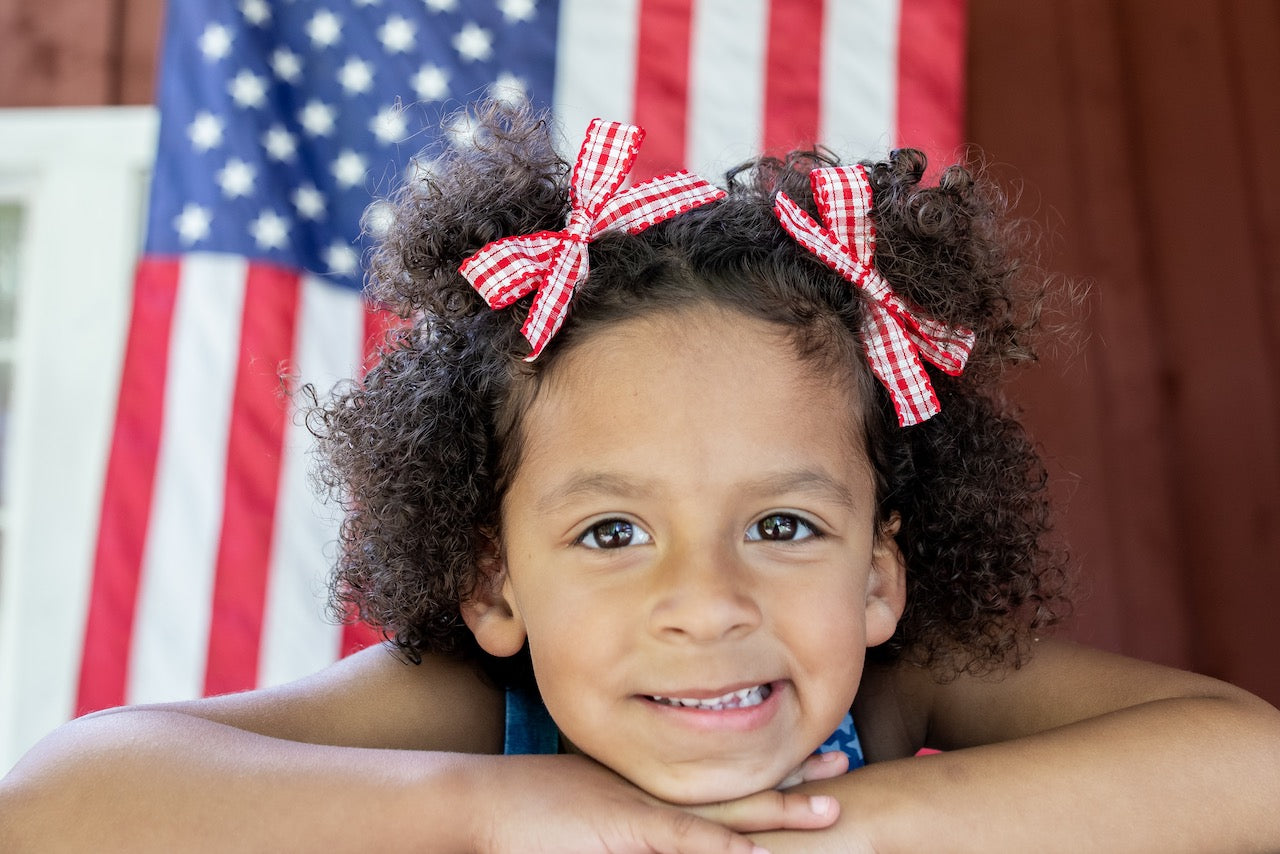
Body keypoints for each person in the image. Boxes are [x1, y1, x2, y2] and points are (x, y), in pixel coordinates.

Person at [3, 103, 1279, 853]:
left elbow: (1249, 764)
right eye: (612, 530)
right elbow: (53, 801)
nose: (705, 600)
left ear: (879, 572)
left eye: (780, 522)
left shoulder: (891, 687)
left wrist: (878, 820)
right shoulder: (479, 709)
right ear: (495, 578)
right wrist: (487, 809)